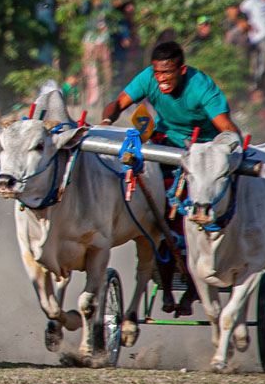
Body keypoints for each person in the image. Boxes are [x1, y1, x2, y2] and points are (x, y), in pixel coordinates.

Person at [101, 41, 242, 316]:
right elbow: (117, 104)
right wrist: (106, 123)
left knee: (189, 217)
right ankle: (163, 277)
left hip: (202, 154)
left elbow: (227, 130)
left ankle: (192, 286)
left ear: (182, 69)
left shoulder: (202, 87)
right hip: (164, 147)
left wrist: (232, 155)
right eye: (158, 74)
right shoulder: (148, 78)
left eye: (167, 73)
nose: (162, 79)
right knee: (157, 214)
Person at [80, 0, 114, 107]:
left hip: (103, 39)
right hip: (90, 38)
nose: (97, 1)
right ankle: (93, 97)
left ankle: (107, 96)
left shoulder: (105, 10)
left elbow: (110, 12)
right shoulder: (89, 10)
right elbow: (83, 11)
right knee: (90, 68)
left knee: (106, 68)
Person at [239, 0, 265, 89]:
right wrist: (244, 23)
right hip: (252, 36)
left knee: (261, 60)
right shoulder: (252, 1)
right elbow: (239, 11)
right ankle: (249, 81)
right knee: (247, 59)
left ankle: (258, 82)